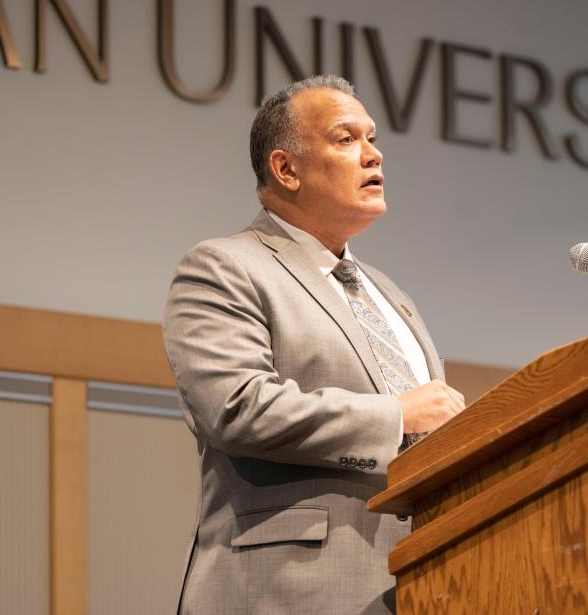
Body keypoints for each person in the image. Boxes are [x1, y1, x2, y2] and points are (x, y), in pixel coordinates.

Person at [163, 75, 465, 615]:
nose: (373, 156)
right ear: (286, 169)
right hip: (286, 589)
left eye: (373, 138)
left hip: (420, 583)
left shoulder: (389, 293)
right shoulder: (225, 266)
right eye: (346, 139)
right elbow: (236, 407)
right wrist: (395, 415)